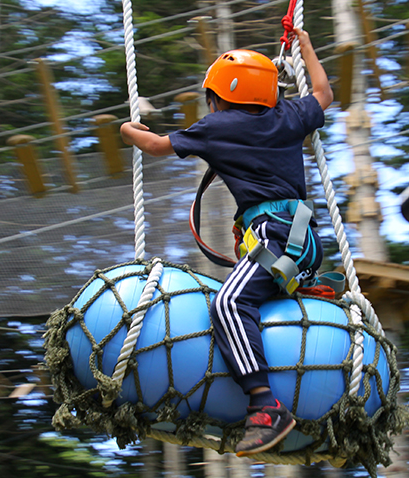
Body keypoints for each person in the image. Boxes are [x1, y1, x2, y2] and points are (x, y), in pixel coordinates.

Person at [120, 27, 333, 456]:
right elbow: (324, 94)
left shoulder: (216, 126)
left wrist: (127, 129)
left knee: (228, 303)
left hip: (274, 237)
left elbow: (157, 145)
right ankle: (296, 291)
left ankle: (264, 405)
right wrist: (307, 48)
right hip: (303, 240)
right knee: (248, 295)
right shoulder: (288, 115)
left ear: (219, 96)